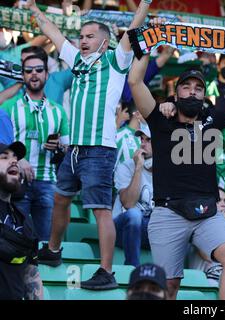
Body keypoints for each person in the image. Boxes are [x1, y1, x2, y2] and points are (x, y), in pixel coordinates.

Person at [128, 18, 225, 299]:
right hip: (167, 211)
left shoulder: (216, 118)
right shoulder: (160, 118)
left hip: (208, 212)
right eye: (187, 87)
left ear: (204, 93)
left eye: (198, 88)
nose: (193, 92)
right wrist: (149, 42)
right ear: (176, 92)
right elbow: (135, 81)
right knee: (169, 285)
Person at [28, 0, 152, 290]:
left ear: (105, 41)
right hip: (75, 149)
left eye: (89, 36)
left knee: (100, 210)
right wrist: (34, 9)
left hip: (99, 149)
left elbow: (134, 27)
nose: (83, 40)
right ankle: (54, 250)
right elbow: (52, 32)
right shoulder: (76, 60)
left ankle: (106, 272)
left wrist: (145, 3)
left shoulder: (115, 60)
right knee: (61, 198)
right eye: (81, 36)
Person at [1, 52, 69, 241]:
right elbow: (1, 145)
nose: (34, 74)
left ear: (47, 74)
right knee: (13, 239)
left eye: (39, 70)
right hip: (17, 182)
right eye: (28, 71)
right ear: (22, 75)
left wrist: (58, 147)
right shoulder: (9, 107)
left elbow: (68, 147)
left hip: (48, 182)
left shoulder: (58, 111)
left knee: (45, 243)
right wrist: (18, 158)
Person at [0, 141, 43, 300]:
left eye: (15, 158)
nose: (13, 161)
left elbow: (31, 276)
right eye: (4, 157)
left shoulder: (25, 221)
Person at [112, 123, 153, 267]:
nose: (143, 144)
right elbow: (128, 204)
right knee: (134, 214)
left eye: (148, 140)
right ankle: (132, 267)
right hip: (122, 229)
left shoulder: (168, 171)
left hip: (152, 230)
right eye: (142, 139)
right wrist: (138, 169)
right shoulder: (126, 166)